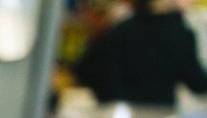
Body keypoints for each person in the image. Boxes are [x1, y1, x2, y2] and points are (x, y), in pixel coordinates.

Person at [74, 0, 207, 106]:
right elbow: (197, 82)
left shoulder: (122, 29)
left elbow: (85, 70)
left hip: (115, 114)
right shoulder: (177, 32)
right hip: (156, 117)